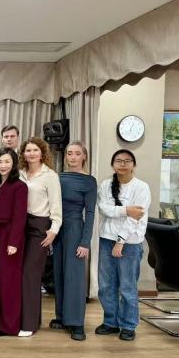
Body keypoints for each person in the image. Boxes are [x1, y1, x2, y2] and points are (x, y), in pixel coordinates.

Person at [95, 149, 150, 342]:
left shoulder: (141, 187)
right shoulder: (105, 185)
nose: (123, 164)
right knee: (106, 285)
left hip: (130, 243)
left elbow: (136, 218)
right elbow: (103, 209)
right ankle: (110, 322)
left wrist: (120, 241)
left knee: (127, 287)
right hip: (106, 240)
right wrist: (126, 210)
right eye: (118, 161)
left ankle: (128, 325)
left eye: (127, 161)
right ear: (113, 164)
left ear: (134, 164)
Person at [51, 141, 97, 341]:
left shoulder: (89, 181)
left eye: (77, 153)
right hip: (57, 228)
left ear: (84, 156)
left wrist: (85, 242)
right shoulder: (58, 177)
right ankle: (62, 317)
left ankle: (77, 323)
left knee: (75, 277)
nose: (72, 157)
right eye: (69, 153)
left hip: (75, 229)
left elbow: (91, 213)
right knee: (59, 273)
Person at [18, 137, 62, 337]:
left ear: (42, 153)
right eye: (28, 150)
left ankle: (29, 324)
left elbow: (56, 206)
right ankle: (24, 319)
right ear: (23, 153)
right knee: (20, 274)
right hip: (20, 225)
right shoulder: (19, 173)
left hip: (40, 228)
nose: (32, 153)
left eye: (35, 150)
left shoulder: (50, 176)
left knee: (30, 274)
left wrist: (53, 231)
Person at [0, 148, 28, 336]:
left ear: (14, 164)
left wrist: (14, 242)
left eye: (6, 161)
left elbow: (19, 218)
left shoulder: (19, 186)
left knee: (8, 281)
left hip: (9, 235)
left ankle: (10, 326)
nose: (2, 165)